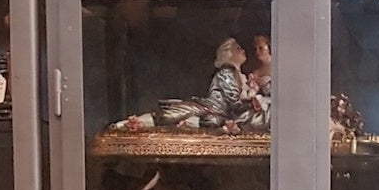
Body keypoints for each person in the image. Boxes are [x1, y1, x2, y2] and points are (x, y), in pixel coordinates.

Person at [110, 38, 270, 134]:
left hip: (218, 114)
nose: (243, 51)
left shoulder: (239, 74)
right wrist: (252, 103)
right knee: (174, 113)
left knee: (194, 118)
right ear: (228, 54)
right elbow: (233, 101)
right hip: (211, 108)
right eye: (238, 49)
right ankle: (129, 124)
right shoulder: (226, 72)